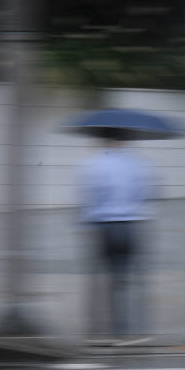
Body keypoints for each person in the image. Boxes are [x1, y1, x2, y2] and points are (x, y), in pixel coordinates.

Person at [79, 136, 158, 345]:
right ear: (122, 140)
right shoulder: (136, 163)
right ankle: (139, 330)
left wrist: (86, 219)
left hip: (103, 226)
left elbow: (86, 197)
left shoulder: (93, 164)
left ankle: (100, 331)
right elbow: (149, 193)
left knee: (102, 282)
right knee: (133, 280)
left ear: (103, 140)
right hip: (130, 225)